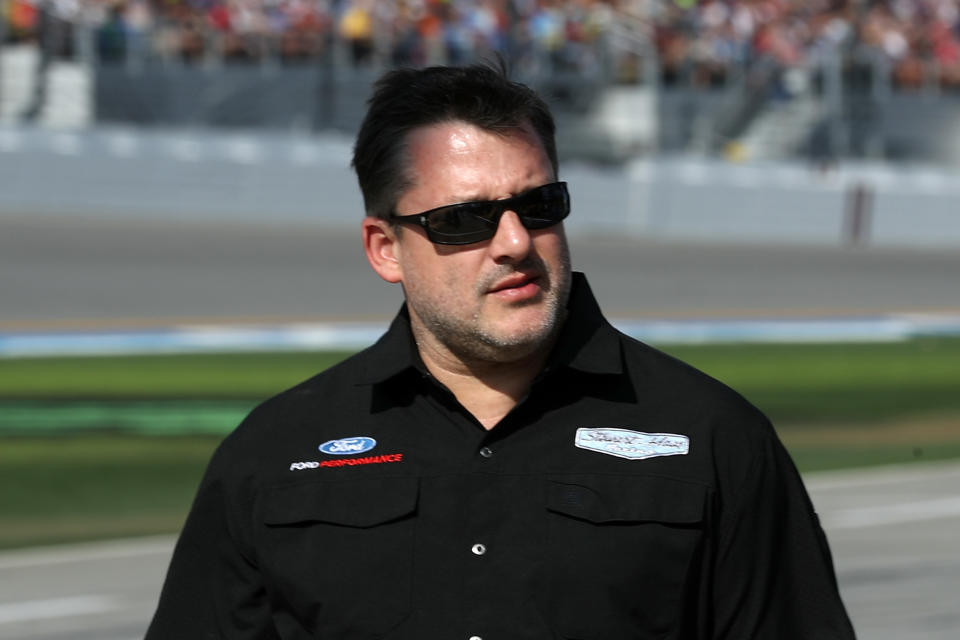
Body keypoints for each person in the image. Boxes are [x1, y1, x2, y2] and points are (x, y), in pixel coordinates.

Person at [146, 62, 856, 639]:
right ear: (384, 248)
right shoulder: (274, 451)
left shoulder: (715, 438)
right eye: (464, 220)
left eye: (539, 206)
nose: (515, 242)